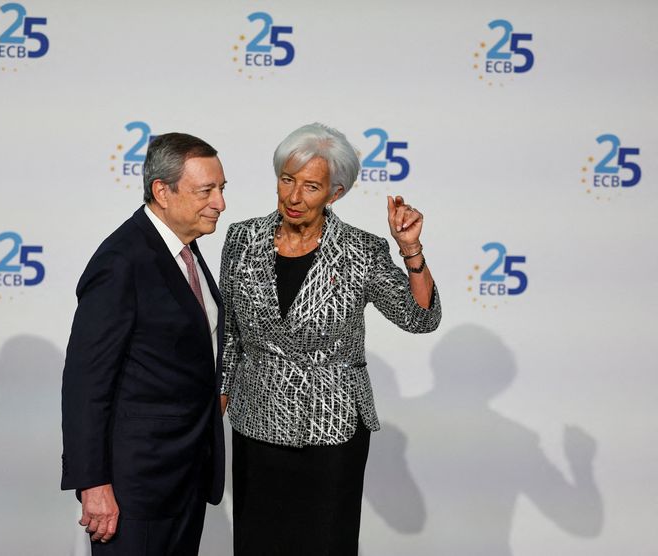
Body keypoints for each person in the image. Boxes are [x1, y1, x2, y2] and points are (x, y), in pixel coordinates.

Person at [218, 123, 442, 555]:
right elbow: (230, 333)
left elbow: (419, 318)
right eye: (287, 180)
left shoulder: (361, 250)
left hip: (332, 424)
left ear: (335, 194)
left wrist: (410, 250)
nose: (294, 197)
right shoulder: (242, 239)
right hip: (256, 420)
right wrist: (219, 399)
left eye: (311, 186)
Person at [61, 132, 227, 555]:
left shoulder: (185, 251)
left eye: (221, 189)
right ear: (162, 192)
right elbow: (86, 382)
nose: (220, 203)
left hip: (185, 476)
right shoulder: (122, 261)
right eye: (206, 191)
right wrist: (93, 484)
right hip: (135, 489)